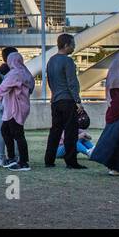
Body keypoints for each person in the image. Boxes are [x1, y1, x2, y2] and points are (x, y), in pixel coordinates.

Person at [0, 50, 33, 171]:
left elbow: (1, 90)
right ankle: (12, 159)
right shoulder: (26, 73)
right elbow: (30, 89)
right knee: (6, 131)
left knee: (17, 134)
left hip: (15, 108)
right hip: (20, 106)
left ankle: (23, 162)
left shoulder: (14, 74)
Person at [44, 32, 85, 169]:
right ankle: (71, 161)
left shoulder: (51, 61)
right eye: (73, 45)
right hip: (67, 100)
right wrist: (78, 101)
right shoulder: (68, 61)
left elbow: (50, 81)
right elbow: (72, 83)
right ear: (66, 45)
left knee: (55, 131)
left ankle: (49, 159)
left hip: (55, 100)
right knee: (71, 132)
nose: (74, 47)